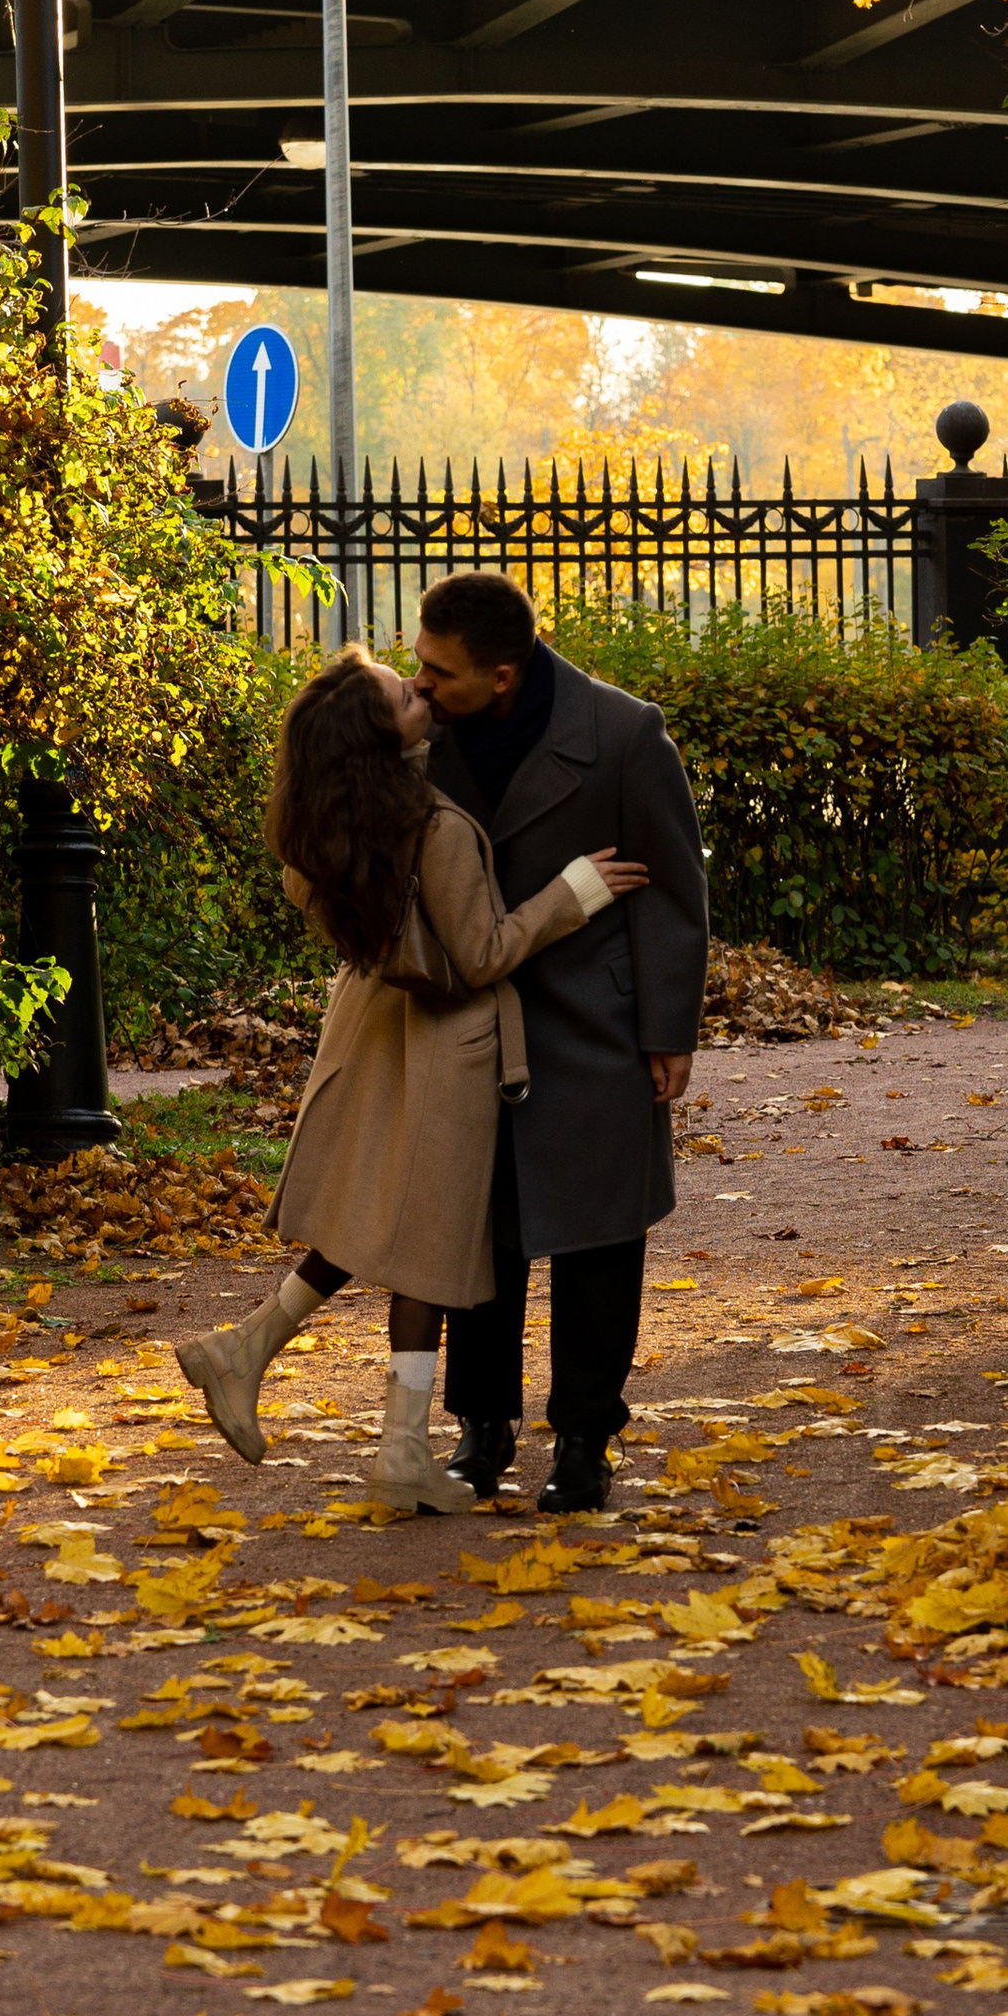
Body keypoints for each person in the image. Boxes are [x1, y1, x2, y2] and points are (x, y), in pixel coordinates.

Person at [173, 643, 649, 1513]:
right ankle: (390, 1445)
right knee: (424, 1244)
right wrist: (571, 892)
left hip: (376, 1030)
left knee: (383, 1225)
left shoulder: (332, 827)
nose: (419, 685)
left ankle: (254, 1352)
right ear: (376, 736)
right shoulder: (433, 829)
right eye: (403, 693)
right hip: (446, 1045)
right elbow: (482, 952)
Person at [412, 572, 708, 1516]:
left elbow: (670, 887)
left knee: (601, 1236)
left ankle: (585, 1439)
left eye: (437, 674)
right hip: (469, 1016)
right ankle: (481, 1429)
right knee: (478, 1232)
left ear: (502, 675)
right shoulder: (425, 738)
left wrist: (667, 1029)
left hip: (595, 1024)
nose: (418, 686)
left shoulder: (622, 732)